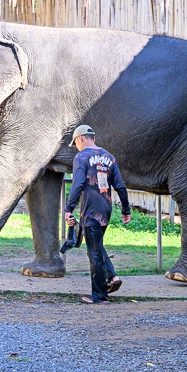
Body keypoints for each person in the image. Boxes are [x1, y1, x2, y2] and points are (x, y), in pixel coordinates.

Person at [64, 124, 131, 304]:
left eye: (75, 143)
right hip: (105, 209)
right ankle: (111, 277)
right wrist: (125, 209)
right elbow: (120, 186)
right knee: (97, 246)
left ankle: (100, 297)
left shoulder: (82, 157)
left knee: (93, 254)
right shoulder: (109, 157)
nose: (76, 147)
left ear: (80, 139)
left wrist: (68, 209)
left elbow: (77, 185)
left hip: (91, 210)